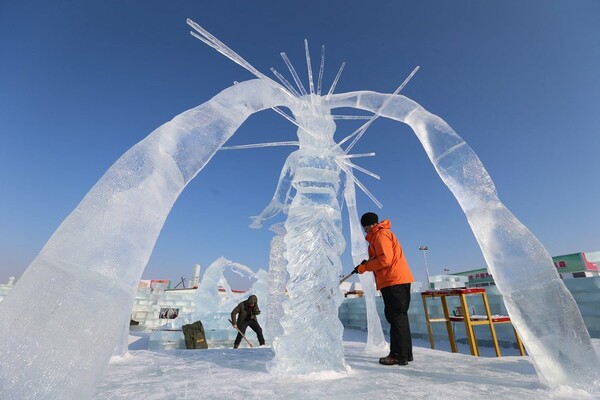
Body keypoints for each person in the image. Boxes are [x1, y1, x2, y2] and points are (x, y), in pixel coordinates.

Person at [354, 212, 415, 366]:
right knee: (400, 317)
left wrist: (365, 267)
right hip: (397, 280)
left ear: (369, 225)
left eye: (365, 227)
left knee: (395, 317)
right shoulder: (382, 234)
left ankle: (397, 355)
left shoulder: (380, 235)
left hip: (393, 280)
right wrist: (367, 263)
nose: (365, 231)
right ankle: (405, 354)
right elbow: (382, 257)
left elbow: (385, 260)